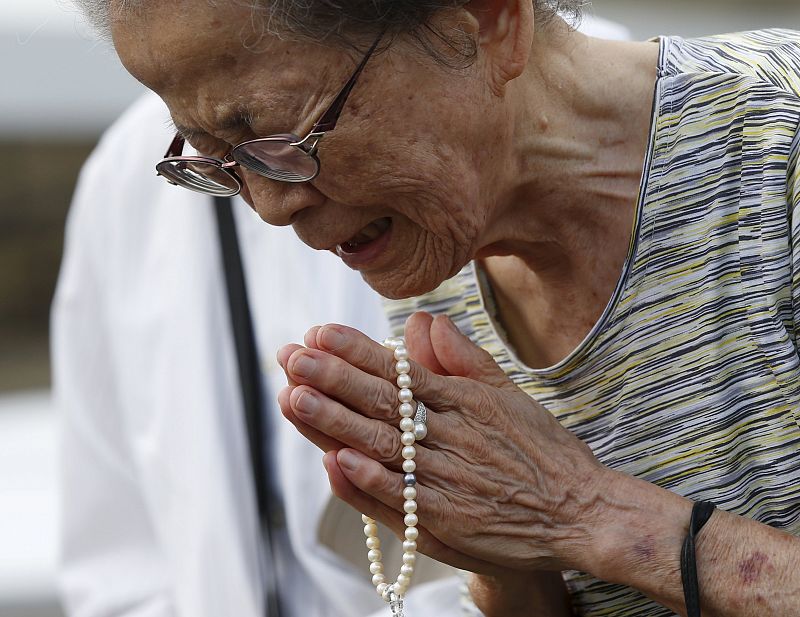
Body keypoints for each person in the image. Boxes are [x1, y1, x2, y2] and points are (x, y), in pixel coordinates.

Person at [71, 0, 800, 614]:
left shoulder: (780, 147)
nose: (269, 207)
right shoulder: (438, 261)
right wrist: (508, 566)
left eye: (284, 136)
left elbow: (578, 516)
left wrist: (588, 513)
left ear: (488, 21)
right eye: (214, 157)